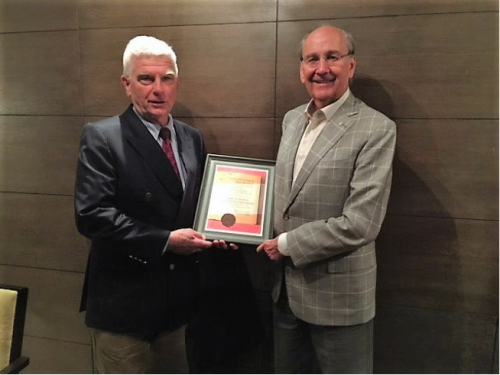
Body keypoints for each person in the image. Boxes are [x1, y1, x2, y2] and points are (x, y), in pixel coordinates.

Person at [74, 35, 233, 375]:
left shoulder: (191, 138)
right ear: (127, 84)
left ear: (177, 83)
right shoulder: (103, 136)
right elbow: (92, 216)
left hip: (176, 304)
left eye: (167, 78)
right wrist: (165, 241)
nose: (158, 89)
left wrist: (218, 228)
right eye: (146, 78)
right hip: (125, 305)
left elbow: (199, 205)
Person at [257, 25, 397, 374]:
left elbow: (361, 223)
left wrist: (286, 244)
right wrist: (239, 226)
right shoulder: (292, 120)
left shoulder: (376, 128)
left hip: (340, 299)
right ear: (301, 68)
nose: (322, 68)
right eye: (312, 59)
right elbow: (284, 198)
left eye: (332, 57)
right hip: (286, 293)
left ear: (351, 65)